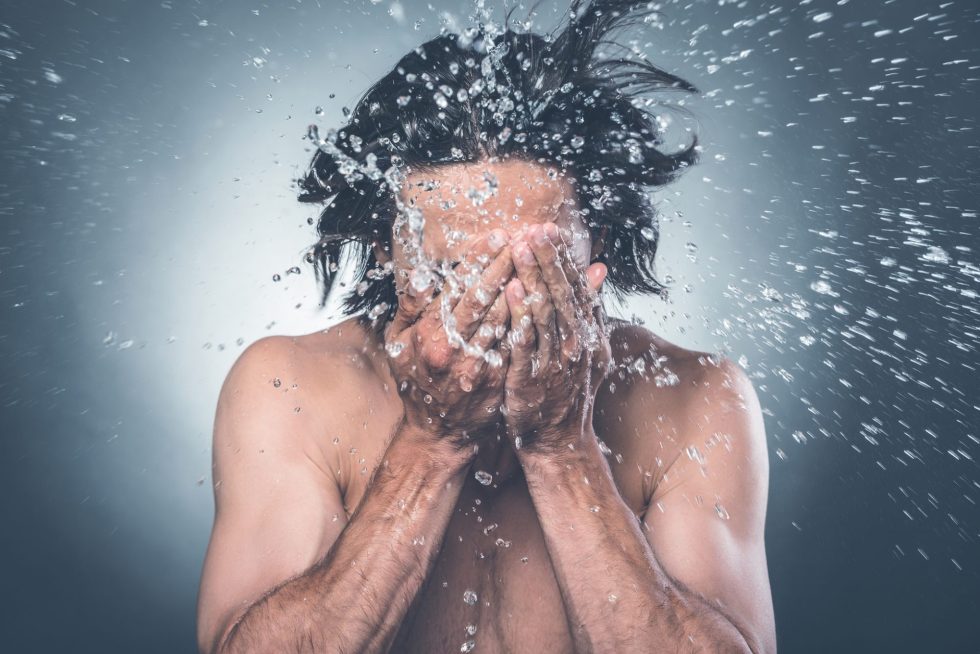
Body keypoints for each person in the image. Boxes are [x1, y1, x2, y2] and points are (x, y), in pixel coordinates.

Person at [196, 1, 776, 652]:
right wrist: (430, 444)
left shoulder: (696, 397)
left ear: (597, 242)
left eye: (531, 266)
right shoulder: (290, 389)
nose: (489, 308)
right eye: (451, 274)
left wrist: (563, 451)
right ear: (388, 247)